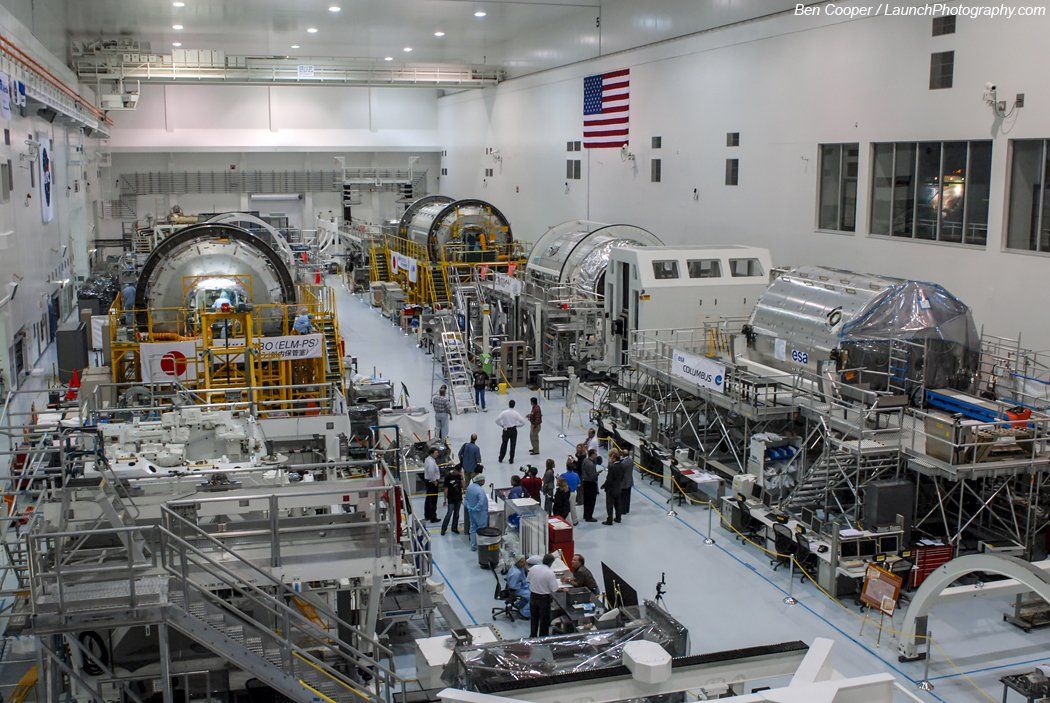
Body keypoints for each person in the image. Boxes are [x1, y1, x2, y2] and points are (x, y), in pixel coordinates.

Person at [526, 553, 563, 637]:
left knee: (534, 618)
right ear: (551, 563)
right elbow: (554, 589)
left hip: (533, 597)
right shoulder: (550, 573)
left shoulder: (533, 568)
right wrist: (563, 589)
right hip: (544, 599)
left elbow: (528, 580)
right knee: (544, 620)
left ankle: (533, 636)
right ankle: (542, 638)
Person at [465, 474, 489, 551]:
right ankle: (482, 547)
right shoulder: (480, 490)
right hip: (480, 513)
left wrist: (470, 508)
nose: (484, 482)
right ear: (480, 481)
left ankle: (473, 546)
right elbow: (481, 503)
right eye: (483, 480)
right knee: (481, 530)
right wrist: (476, 508)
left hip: (471, 512)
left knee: (473, 528)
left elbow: (466, 499)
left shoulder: (469, 487)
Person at [602, 449, 625, 525]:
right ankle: (618, 518)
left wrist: (604, 485)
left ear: (614, 458)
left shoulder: (612, 467)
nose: (610, 459)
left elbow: (609, 479)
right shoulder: (622, 465)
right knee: (618, 504)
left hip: (611, 490)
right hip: (618, 488)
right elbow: (622, 477)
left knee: (609, 505)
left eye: (611, 458)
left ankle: (609, 520)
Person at [440, 462, 464, 535]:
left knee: (456, 514)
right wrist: (445, 499)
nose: (458, 473)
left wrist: (462, 477)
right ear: (455, 470)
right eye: (458, 472)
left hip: (458, 498)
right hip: (451, 498)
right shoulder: (448, 477)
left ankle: (454, 528)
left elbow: (463, 486)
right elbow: (446, 489)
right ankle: (443, 529)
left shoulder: (459, 476)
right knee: (449, 514)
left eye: (459, 472)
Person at [579, 448, 600, 523]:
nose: (596, 455)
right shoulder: (590, 464)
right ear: (592, 454)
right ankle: (589, 517)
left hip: (585, 483)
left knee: (586, 500)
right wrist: (597, 473)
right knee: (591, 501)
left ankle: (586, 515)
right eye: (595, 454)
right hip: (591, 484)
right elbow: (592, 476)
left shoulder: (585, 460)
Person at [560, 458, 581, 526]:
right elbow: (579, 484)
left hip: (565, 493)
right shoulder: (576, 475)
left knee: (565, 508)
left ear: (566, 467)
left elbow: (559, 484)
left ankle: (567, 521)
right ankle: (575, 521)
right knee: (573, 507)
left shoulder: (563, 475)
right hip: (573, 493)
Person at [423, 447, 441, 523]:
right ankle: (433, 517)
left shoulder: (428, 459)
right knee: (433, 500)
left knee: (428, 499)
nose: (437, 454)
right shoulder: (431, 462)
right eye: (436, 453)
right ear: (432, 453)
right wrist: (434, 481)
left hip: (428, 481)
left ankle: (427, 515)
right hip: (432, 482)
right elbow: (431, 472)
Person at [619, 450, 634, 516]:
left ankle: (623, 510)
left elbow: (620, 473)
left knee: (623, 497)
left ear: (622, 455)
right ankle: (627, 509)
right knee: (628, 497)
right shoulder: (631, 460)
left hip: (624, 482)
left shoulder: (623, 463)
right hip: (629, 480)